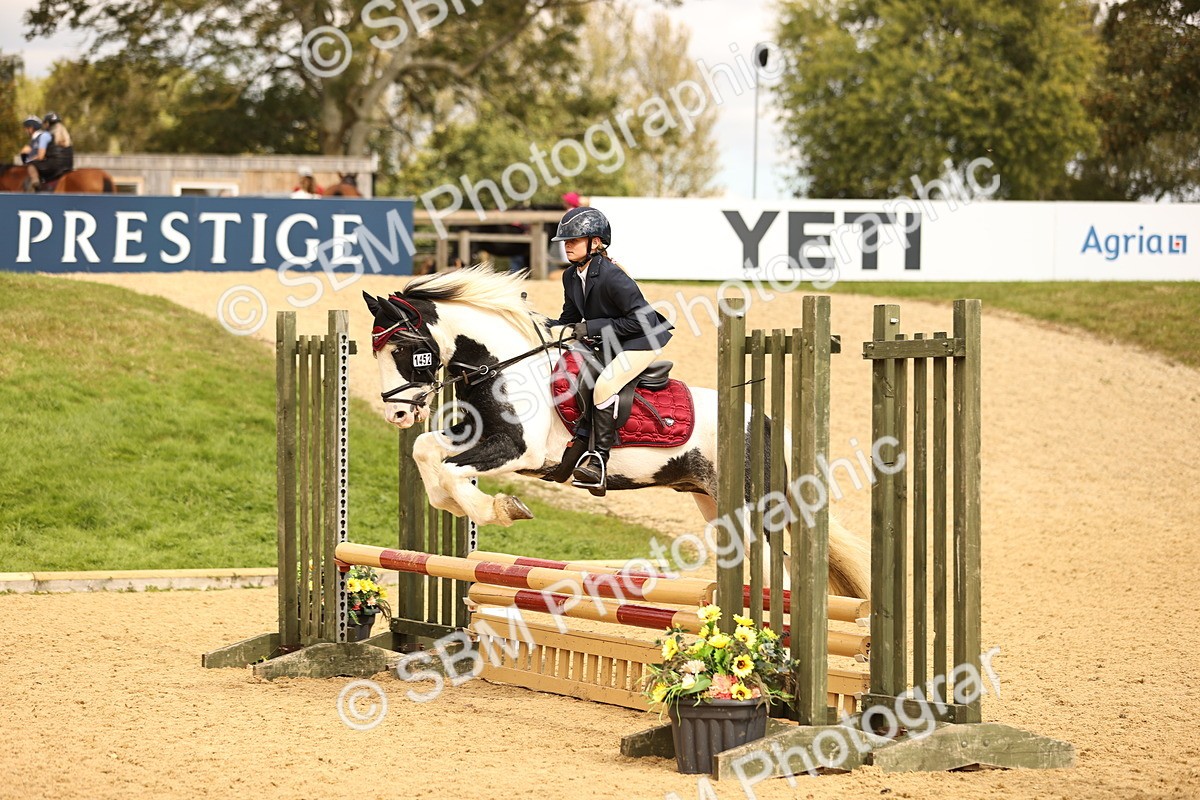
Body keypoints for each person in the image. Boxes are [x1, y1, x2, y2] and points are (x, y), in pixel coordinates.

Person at [547, 206, 673, 496]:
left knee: (604, 385)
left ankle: (599, 460)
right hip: (610, 339)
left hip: (641, 340)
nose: (567, 245)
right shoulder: (570, 276)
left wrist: (590, 328)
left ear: (595, 242)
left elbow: (641, 320)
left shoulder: (612, 276)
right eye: (565, 241)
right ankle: (581, 436)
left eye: (574, 240)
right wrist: (540, 323)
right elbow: (569, 318)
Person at [39, 112, 74, 184]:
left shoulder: (45, 135)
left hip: (53, 169)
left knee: (31, 165)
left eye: (44, 123)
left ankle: (35, 186)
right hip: (68, 168)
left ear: (47, 123)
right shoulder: (67, 138)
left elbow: (40, 156)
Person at [19, 116, 51, 192]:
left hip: (39, 167)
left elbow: (40, 155)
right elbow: (24, 151)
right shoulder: (35, 139)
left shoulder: (40, 137)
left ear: (31, 128)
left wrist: (28, 160)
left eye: (26, 128)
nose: (25, 130)